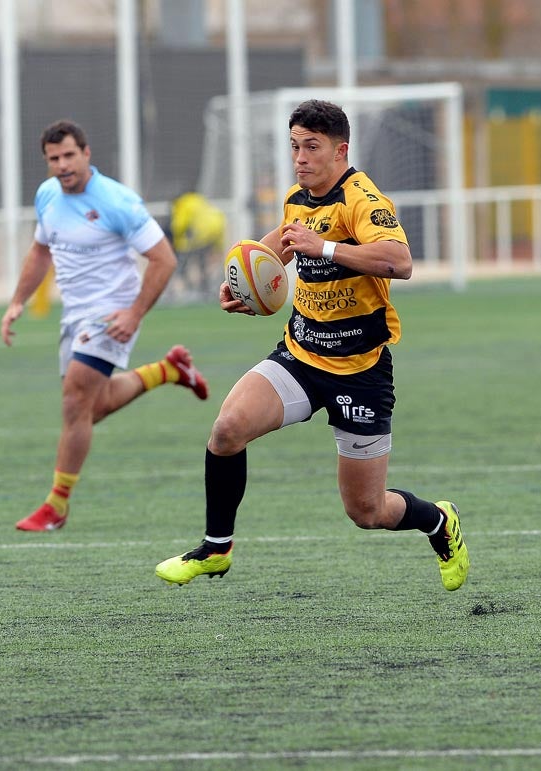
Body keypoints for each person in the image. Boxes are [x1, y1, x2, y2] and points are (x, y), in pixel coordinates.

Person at [154, 99, 469, 591]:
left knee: (366, 511)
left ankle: (437, 521)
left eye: (312, 147)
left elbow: (399, 261)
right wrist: (244, 278)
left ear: (340, 150)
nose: (300, 158)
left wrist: (322, 248)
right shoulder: (298, 197)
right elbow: (283, 239)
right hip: (301, 355)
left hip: (360, 372)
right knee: (227, 429)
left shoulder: (363, 199)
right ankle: (216, 549)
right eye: (295, 147)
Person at [0, 119, 209, 532]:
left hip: (110, 313)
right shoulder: (47, 196)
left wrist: (133, 314)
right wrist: (17, 301)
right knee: (89, 409)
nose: (62, 165)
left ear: (87, 153)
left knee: (75, 402)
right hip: (74, 315)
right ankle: (167, 370)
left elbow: (164, 259)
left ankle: (56, 506)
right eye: (53, 159)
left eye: (69, 155)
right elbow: (40, 251)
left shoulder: (117, 200)